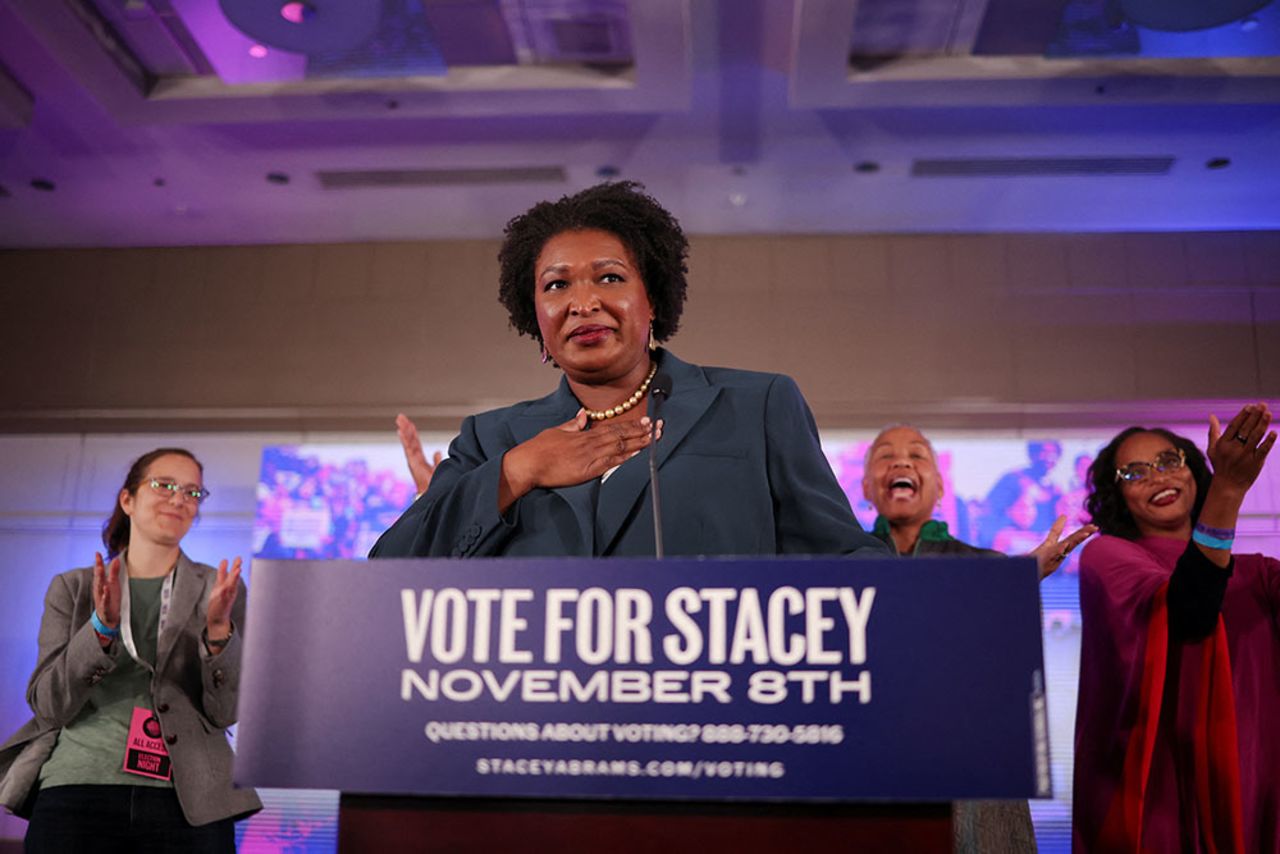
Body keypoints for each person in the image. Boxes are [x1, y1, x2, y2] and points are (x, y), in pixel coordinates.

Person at [371, 181, 885, 559]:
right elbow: (392, 570)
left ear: (652, 299)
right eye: (556, 286)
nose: (583, 302)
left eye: (609, 277)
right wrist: (517, 470)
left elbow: (839, 558)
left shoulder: (758, 405)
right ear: (536, 318)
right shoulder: (491, 439)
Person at [0, 448, 261, 852]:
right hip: (79, 787)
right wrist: (101, 627)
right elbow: (50, 704)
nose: (178, 499)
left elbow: (226, 711)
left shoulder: (221, 588)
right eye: (164, 485)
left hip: (189, 797)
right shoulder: (73, 587)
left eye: (193, 492)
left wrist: (217, 632)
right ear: (128, 500)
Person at [860, 424, 1095, 854]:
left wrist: (1018, 582)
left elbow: (1007, 681)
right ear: (865, 485)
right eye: (884, 455)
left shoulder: (988, 567)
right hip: (872, 764)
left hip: (970, 774)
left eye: (918, 454)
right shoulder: (839, 569)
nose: (901, 461)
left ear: (939, 486)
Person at [1072, 404, 1279, 853]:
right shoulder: (1108, 559)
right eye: (1134, 473)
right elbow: (1190, 610)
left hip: (1254, 795)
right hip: (1160, 809)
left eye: (1169, 461)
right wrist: (1228, 488)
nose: (1158, 477)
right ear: (1117, 496)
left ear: (1191, 470)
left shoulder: (1259, 576)